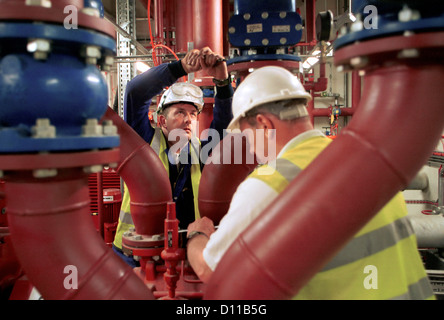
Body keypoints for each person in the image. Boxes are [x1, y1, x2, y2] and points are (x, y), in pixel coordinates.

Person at [186, 66, 435, 299]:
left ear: (263, 124)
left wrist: (197, 237)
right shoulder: (366, 162)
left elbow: (213, 271)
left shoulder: (268, 184)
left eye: (246, 136)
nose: (249, 147)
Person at [112, 47, 233, 268]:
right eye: (179, 112)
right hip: (135, 255)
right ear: (161, 121)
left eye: (193, 114)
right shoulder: (143, 143)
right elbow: (134, 92)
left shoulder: (201, 151)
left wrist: (223, 83)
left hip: (186, 252)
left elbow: (224, 125)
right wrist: (181, 68)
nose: (188, 119)